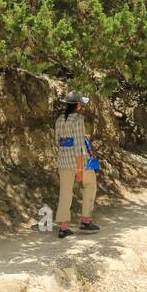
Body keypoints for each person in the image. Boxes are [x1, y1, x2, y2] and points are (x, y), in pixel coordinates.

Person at [54, 89, 100, 239]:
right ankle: (86, 220)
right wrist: (79, 170)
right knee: (90, 185)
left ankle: (63, 228)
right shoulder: (78, 120)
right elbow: (80, 146)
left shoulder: (59, 120)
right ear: (78, 105)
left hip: (63, 160)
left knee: (65, 193)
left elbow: (58, 142)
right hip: (78, 160)